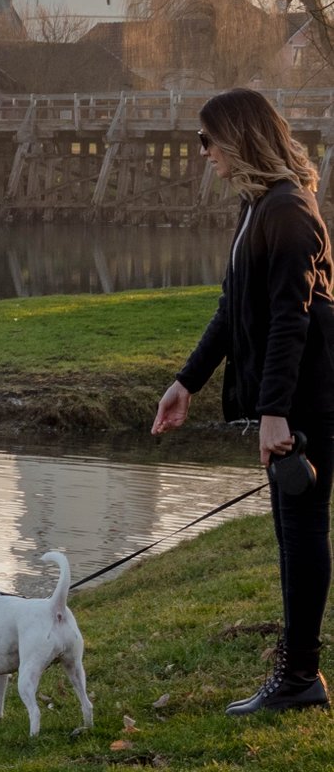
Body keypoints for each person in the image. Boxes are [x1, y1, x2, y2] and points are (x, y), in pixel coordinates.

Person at [152, 88, 334, 715]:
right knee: (291, 533)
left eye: (208, 140)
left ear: (240, 137)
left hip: (310, 400)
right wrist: (187, 382)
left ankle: (301, 677)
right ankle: (296, 671)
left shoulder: (288, 212)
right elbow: (233, 310)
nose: (202, 153)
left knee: (304, 527)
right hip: (290, 399)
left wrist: (276, 412)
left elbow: (293, 320)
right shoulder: (257, 206)